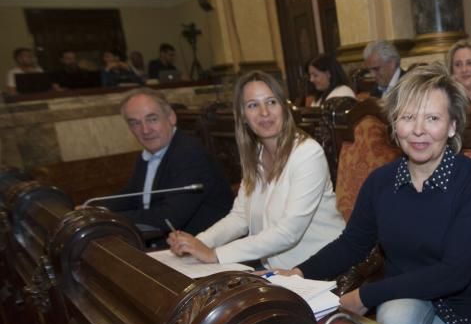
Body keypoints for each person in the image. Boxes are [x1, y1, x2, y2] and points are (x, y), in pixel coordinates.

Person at [275, 63, 471, 324]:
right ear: (394, 125)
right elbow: (352, 243)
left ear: (452, 126)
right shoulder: (381, 182)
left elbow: (454, 273)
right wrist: (298, 273)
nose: (418, 130)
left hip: (470, 308)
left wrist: (365, 296)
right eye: (407, 117)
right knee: (393, 323)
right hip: (409, 294)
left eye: (432, 118)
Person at [167, 71, 346, 269]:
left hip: (321, 268)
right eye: (253, 105)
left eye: (271, 102)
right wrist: (197, 243)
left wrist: (215, 254)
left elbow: (288, 232)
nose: (264, 112)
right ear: (243, 116)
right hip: (277, 270)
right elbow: (240, 217)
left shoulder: (307, 153)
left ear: (284, 107)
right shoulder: (256, 154)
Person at [105, 88, 233, 236]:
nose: (145, 130)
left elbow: (168, 219)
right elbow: (131, 195)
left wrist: (107, 218)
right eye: (135, 123)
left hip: (203, 247)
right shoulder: (149, 153)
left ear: (171, 117)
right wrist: (94, 209)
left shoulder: (189, 154)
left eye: (152, 119)